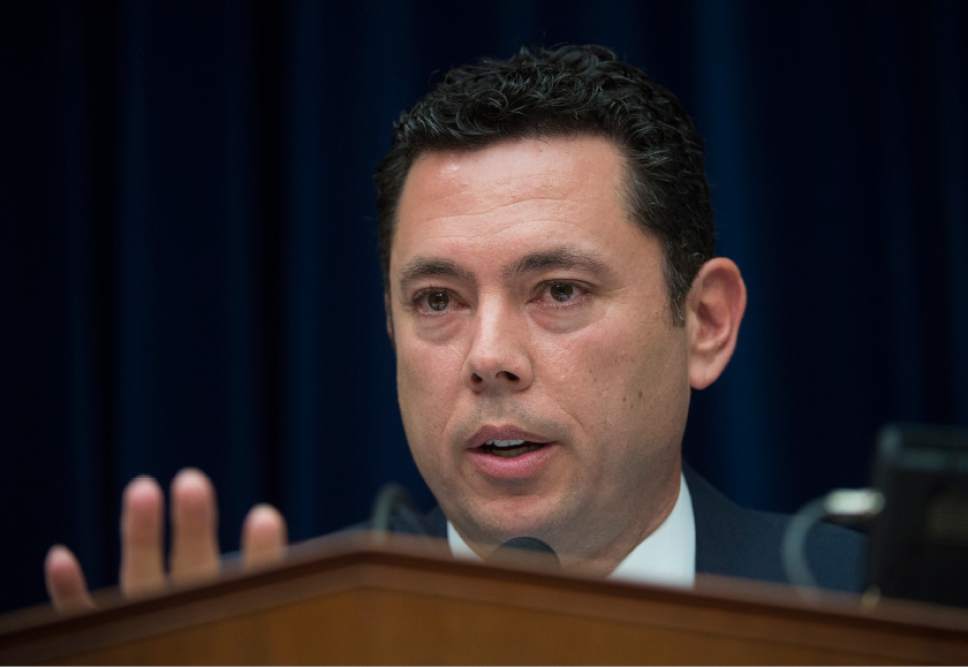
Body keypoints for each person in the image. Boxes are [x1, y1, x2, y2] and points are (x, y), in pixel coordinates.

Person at [44, 44, 864, 612]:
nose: (490, 357)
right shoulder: (257, 636)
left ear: (706, 323)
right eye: (438, 300)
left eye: (560, 290)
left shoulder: (887, 615)